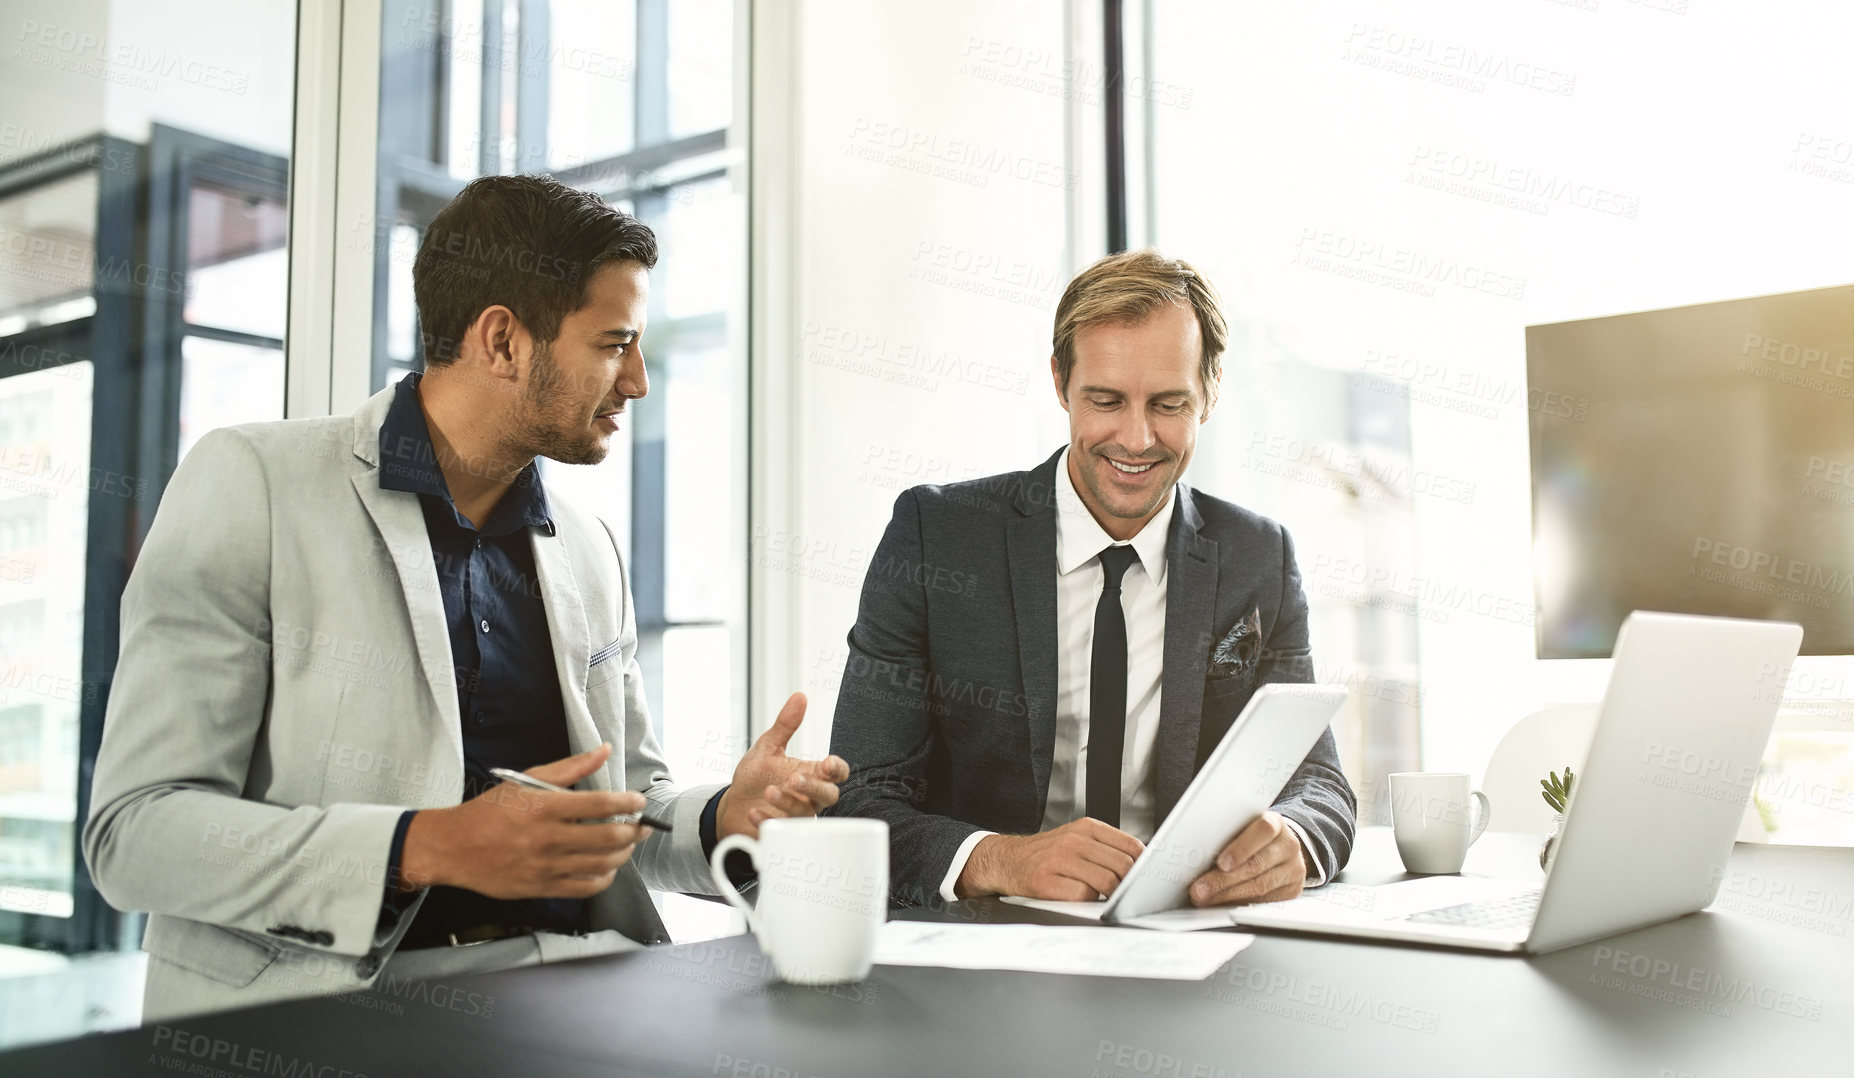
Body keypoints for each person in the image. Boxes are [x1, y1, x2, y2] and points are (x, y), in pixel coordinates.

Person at [83, 175, 847, 1020]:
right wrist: (423, 847)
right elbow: (135, 834)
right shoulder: (254, 484)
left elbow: (629, 806)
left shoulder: (590, 547)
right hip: (326, 1017)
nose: (636, 382)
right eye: (613, 343)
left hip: (574, 996)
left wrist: (722, 817)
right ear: (502, 341)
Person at [828, 248, 1355, 908]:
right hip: (981, 950)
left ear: (1211, 391)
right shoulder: (937, 537)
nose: (1135, 439)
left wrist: (1295, 841)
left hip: (1180, 937)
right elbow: (858, 801)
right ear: (1059, 382)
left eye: (1169, 404)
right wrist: (1003, 859)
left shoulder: (1258, 555)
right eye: (1105, 400)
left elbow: (1322, 786)